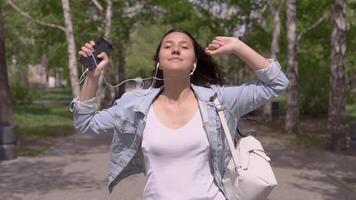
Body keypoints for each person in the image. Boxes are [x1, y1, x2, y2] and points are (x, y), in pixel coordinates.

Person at [70, 28, 289, 200]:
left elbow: (277, 84)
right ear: (159, 62)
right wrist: (93, 75)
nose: (175, 49)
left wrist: (238, 46)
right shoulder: (134, 105)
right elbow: (86, 123)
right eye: (168, 46)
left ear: (194, 62)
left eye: (184, 47)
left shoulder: (218, 100)